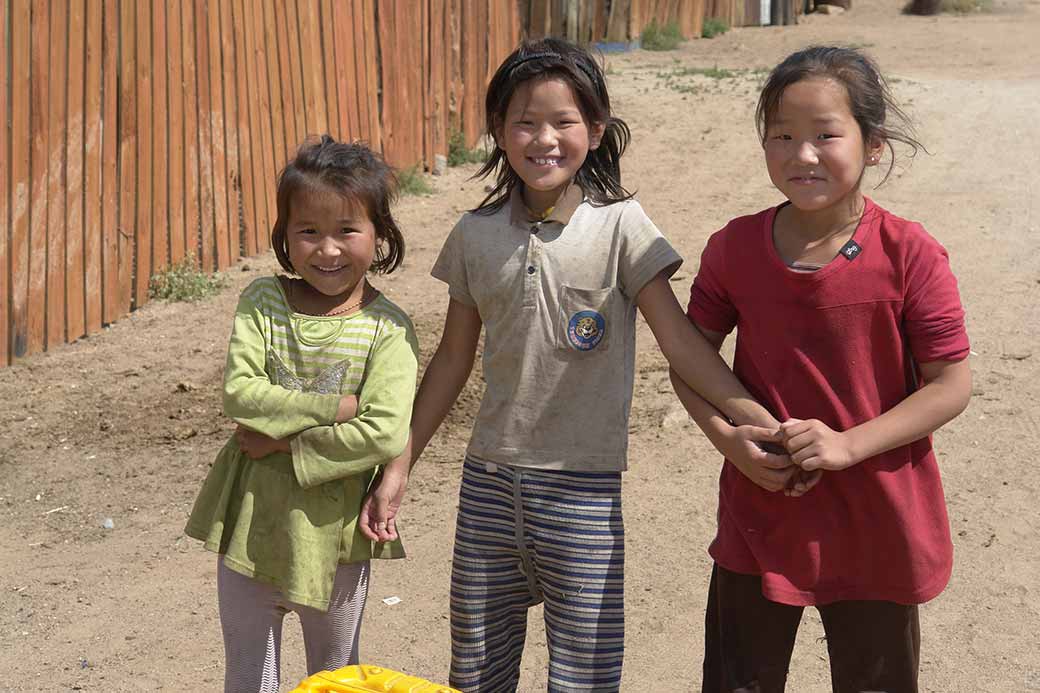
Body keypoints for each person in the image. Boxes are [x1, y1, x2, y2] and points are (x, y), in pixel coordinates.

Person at [360, 38, 783, 693]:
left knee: (584, 676)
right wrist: (398, 466)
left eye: (564, 121)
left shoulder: (622, 227)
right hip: (489, 489)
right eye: (525, 121)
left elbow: (679, 340)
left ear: (596, 128)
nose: (544, 138)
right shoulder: (475, 234)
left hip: (583, 492)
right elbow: (450, 358)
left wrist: (751, 413)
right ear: (498, 130)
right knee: (475, 672)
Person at [669, 46, 973, 692]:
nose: (802, 154)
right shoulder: (735, 248)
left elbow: (951, 383)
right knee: (737, 680)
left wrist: (845, 444)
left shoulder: (909, 254)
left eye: (826, 135)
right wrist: (731, 440)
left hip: (877, 518)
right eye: (782, 135)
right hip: (761, 510)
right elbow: (690, 362)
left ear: (873, 146)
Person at [184, 136, 418, 693]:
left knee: (335, 679)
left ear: (379, 235)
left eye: (346, 231)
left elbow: (384, 431)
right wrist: (337, 407)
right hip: (250, 526)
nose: (327, 249)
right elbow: (241, 394)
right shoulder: (262, 301)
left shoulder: (388, 328)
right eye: (308, 231)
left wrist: (284, 442)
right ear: (284, 237)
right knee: (248, 678)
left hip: (335, 537)